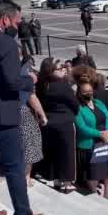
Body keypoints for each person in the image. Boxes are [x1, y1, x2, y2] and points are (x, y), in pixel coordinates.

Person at [0, 0, 44, 215]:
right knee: (14, 167)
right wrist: (29, 80)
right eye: (17, 20)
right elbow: (11, 82)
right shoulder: (5, 43)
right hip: (3, 116)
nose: (18, 25)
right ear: (6, 19)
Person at [37, 59, 78, 193]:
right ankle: (67, 183)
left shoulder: (41, 86)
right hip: (64, 124)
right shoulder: (64, 86)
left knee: (52, 152)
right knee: (67, 153)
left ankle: (55, 180)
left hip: (48, 123)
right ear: (51, 72)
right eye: (59, 68)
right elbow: (75, 105)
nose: (63, 70)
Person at [74, 79, 108, 196]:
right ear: (79, 93)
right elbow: (81, 127)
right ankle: (93, 191)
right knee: (93, 170)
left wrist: (107, 131)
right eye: (85, 92)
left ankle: (106, 191)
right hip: (89, 142)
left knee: (107, 167)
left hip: (104, 140)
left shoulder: (98, 103)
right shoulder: (78, 107)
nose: (88, 94)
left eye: (90, 91)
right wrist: (99, 134)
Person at [19, 48, 46, 187]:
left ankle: (26, 175)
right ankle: (25, 176)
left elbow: (31, 95)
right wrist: (42, 114)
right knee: (30, 140)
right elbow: (31, 96)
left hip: (11, 110)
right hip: (19, 110)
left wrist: (41, 113)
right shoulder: (24, 71)